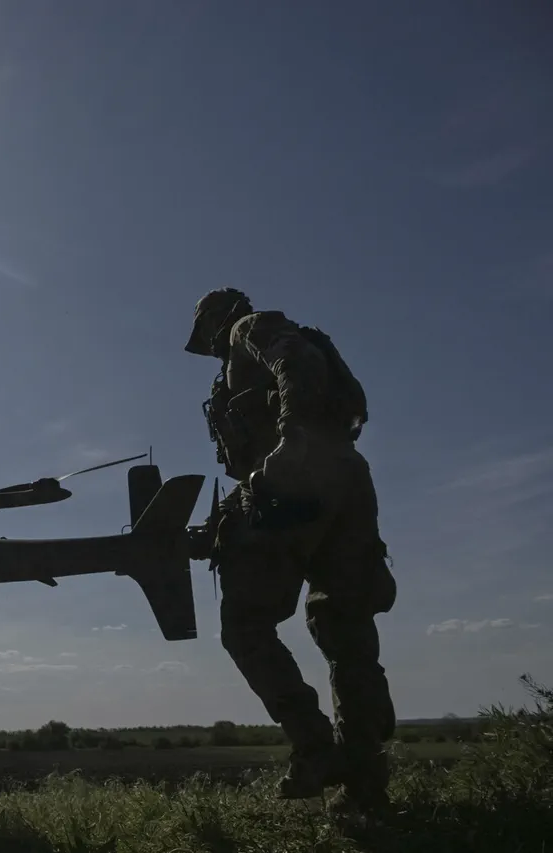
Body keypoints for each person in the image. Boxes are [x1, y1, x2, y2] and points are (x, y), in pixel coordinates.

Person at [183, 288, 397, 815]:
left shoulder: (248, 329)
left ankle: (314, 747)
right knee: (346, 631)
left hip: (297, 483)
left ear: (216, 319)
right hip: (346, 480)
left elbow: (294, 362)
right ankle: (363, 786)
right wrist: (215, 526)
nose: (208, 343)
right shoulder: (255, 352)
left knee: (246, 625)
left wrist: (290, 440)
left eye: (206, 328)